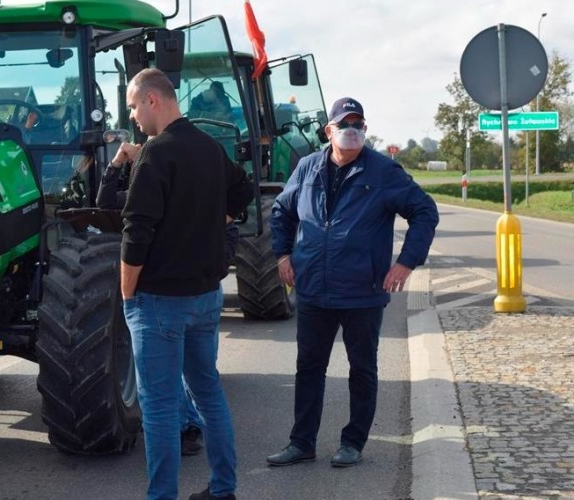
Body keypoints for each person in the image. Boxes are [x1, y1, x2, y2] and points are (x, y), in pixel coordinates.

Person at [266, 97, 438, 469]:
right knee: (309, 368)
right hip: (313, 288)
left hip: (362, 291)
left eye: (359, 125)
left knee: (362, 368)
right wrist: (282, 255)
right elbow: (281, 210)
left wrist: (406, 263)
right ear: (328, 131)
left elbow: (424, 211)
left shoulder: (383, 171)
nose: (352, 131)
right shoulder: (308, 168)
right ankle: (302, 443)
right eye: (345, 124)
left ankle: (353, 442)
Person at [120, 68, 253, 500]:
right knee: (208, 392)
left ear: (152, 99)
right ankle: (223, 489)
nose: (134, 117)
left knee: (158, 408)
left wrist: (127, 296)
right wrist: (215, 224)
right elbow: (243, 190)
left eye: (133, 107)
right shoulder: (210, 148)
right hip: (206, 296)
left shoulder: (155, 155)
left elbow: (136, 232)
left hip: (159, 301)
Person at [97, 139, 240, 458]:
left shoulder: (198, 200)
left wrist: (206, 269)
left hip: (199, 292)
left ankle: (193, 428)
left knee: (198, 371)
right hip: (158, 295)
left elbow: (228, 236)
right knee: (168, 369)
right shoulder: (140, 200)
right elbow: (105, 200)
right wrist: (117, 161)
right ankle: (183, 428)